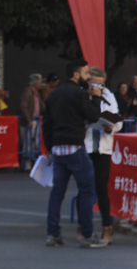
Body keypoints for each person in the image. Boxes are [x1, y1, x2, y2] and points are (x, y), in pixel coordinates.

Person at [41, 60, 102, 247]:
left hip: (59, 148)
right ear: (76, 75)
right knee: (87, 190)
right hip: (75, 146)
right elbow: (93, 116)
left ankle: (53, 234)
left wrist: (50, 148)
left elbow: (47, 124)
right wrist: (97, 98)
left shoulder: (54, 95)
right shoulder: (80, 93)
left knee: (57, 192)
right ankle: (87, 234)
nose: (88, 77)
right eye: (85, 73)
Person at [84, 66, 122, 248]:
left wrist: (111, 126)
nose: (97, 88)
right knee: (84, 188)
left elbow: (118, 120)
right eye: (93, 84)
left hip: (104, 147)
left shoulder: (109, 96)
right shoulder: (83, 95)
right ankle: (83, 227)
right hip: (87, 144)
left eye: (100, 84)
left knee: (101, 187)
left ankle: (107, 226)